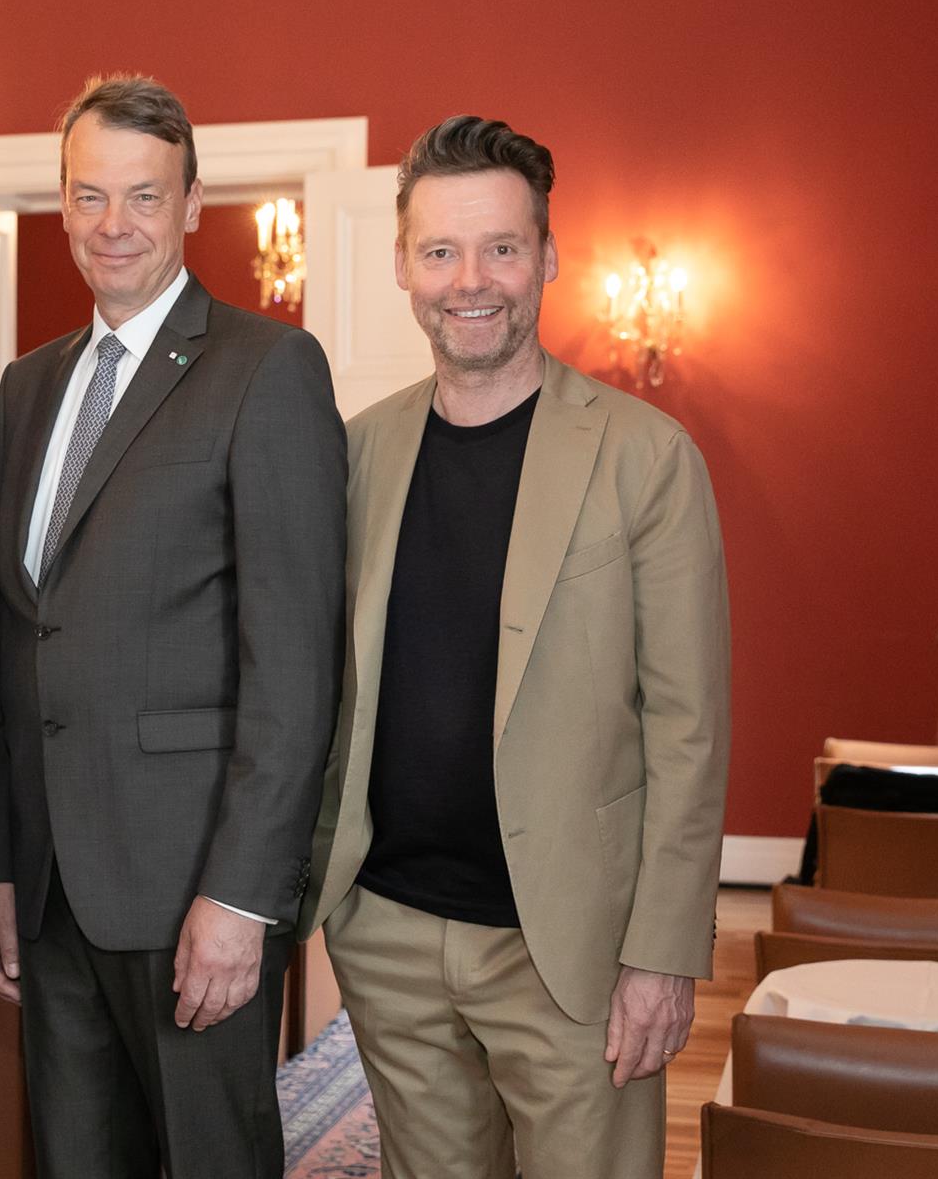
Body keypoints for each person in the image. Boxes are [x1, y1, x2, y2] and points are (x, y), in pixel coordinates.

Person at [300, 115, 731, 1179]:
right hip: (389, 932)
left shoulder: (645, 457)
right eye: (440, 251)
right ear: (404, 265)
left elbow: (689, 729)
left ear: (548, 255)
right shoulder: (357, 450)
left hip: (572, 948)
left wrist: (663, 952)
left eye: (500, 247)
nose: (470, 280)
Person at [0, 75, 346, 1178]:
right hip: (51, 898)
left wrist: (242, 895)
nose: (114, 223)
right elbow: (8, 646)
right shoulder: (28, 387)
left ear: (191, 205)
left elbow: (295, 668)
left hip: (193, 894)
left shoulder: (266, 368)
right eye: (90, 195)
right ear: (63, 204)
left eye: (144, 195)